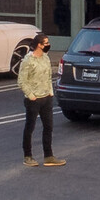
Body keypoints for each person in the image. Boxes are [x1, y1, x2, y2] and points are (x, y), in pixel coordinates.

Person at [17, 35, 64, 167]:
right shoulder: (28, 60)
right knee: (30, 127)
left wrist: (50, 92)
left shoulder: (46, 58)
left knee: (48, 127)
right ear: (39, 45)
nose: (48, 45)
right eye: (46, 43)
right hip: (34, 99)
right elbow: (22, 81)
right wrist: (31, 95)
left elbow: (49, 76)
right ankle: (28, 156)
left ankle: (48, 156)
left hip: (46, 98)